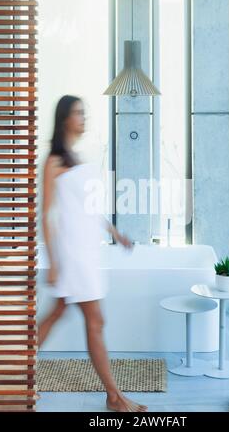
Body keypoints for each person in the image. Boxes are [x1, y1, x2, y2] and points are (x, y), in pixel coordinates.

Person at [39, 95, 148, 413]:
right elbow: (46, 215)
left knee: (59, 312)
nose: (84, 117)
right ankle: (114, 397)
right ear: (64, 120)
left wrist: (116, 234)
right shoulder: (54, 161)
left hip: (87, 251)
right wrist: (54, 263)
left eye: (84, 112)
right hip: (72, 254)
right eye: (78, 113)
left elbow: (90, 211)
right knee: (96, 321)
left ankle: (15, 370)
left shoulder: (76, 157)